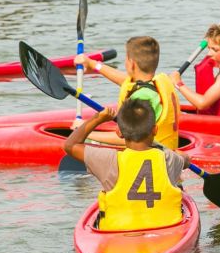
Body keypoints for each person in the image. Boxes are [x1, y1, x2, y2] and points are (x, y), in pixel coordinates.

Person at [63, 99, 190, 231]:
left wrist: (98, 119)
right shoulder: (169, 158)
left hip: (117, 232)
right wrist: (182, 157)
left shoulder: (109, 160)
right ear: (155, 130)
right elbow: (186, 160)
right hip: (165, 229)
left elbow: (70, 145)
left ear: (119, 133)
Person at [75, 36, 180, 149]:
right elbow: (125, 81)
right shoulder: (162, 81)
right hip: (168, 150)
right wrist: (93, 64)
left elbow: (130, 139)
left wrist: (84, 131)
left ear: (131, 63)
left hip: (153, 156)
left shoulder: (140, 100)